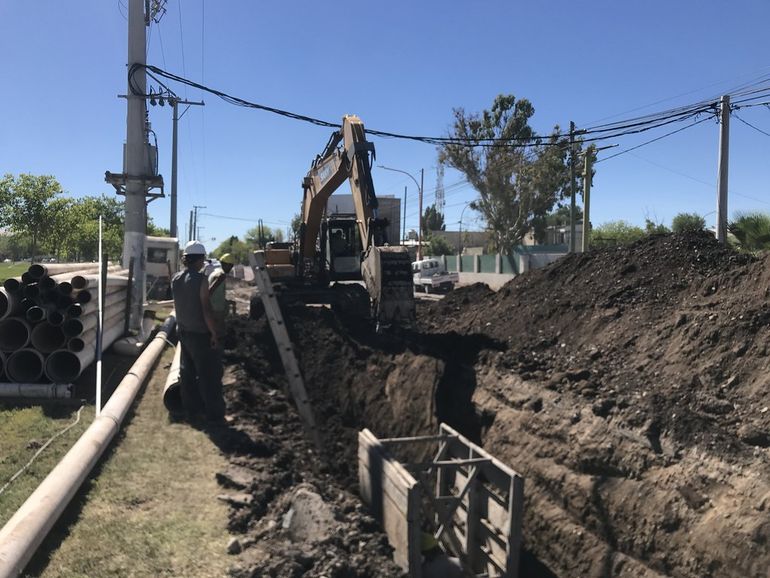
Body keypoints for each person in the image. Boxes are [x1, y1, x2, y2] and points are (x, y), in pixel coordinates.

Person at [171, 240, 226, 426]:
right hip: (200, 335)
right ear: (200, 259)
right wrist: (213, 333)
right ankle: (214, 415)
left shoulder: (176, 279)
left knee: (187, 375)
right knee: (209, 377)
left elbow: (184, 303)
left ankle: (192, 412)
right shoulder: (201, 279)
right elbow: (205, 309)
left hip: (184, 333)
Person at [208, 252, 235, 341]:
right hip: (216, 311)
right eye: (230, 266)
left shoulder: (215, 272)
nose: (230, 268)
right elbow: (210, 291)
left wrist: (226, 301)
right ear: (225, 264)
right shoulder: (221, 275)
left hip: (213, 309)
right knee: (219, 335)